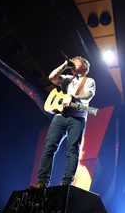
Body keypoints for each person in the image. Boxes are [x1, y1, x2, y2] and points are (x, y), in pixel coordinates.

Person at [30, 56, 96, 188]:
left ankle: (66, 184)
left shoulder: (89, 81)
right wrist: (65, 65)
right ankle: (42, 183)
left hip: (77, 117)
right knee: (49, 147)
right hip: (60, 116)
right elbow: (52, 77)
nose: (73, 61)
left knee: (73, 150)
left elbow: (88, 95)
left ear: (84, 67)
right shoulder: (67, 78)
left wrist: (73, 96)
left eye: (76, 61)